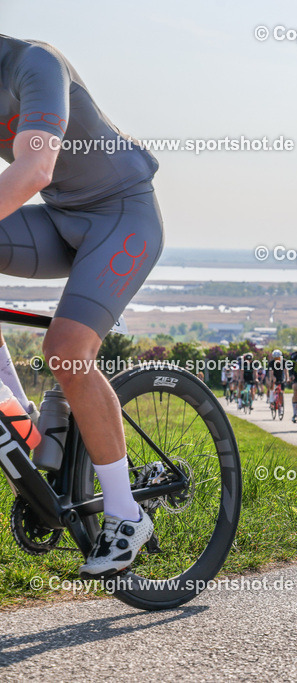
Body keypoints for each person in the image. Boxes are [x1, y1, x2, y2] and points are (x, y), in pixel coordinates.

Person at [0, 35, 162, 577]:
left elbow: (34, 170)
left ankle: (125, 513)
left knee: (66, 350)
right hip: (58, 219)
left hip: (122, 216)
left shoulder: (33, 64)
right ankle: (20, 416)